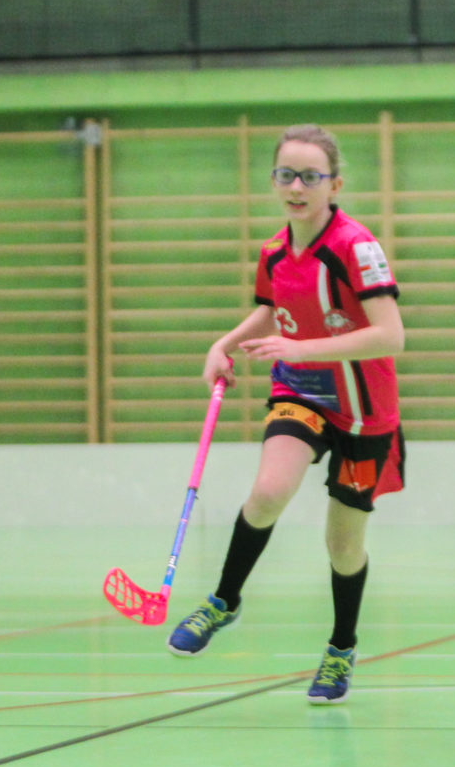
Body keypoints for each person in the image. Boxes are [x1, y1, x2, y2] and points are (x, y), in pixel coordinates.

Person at [165, 124, 405, 707]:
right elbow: (273, 313)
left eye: (310, 177)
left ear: (335, 184)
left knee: (343, 545)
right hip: (299, 393)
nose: (296, 187)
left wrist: (304, 347)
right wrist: (223, 343)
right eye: (286, 175)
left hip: (364, 413)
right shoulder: (274, 251)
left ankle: (341, 647)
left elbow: (391, 336)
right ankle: (223, 601)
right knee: (269, 490)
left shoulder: (356, 247)